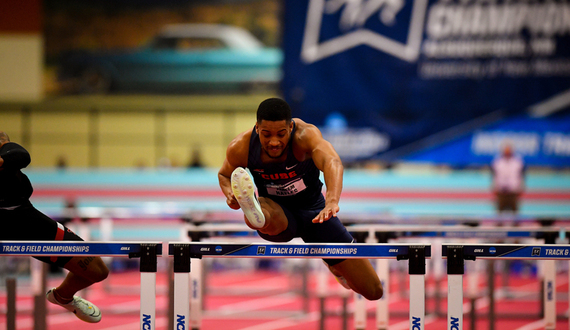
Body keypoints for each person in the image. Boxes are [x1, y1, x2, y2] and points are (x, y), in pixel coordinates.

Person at [218, 98, 383, 300]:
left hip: (316, 215)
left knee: (373, 291)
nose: (274, 142)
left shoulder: (306, 135)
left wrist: (332, 200)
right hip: (278, 215)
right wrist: (230, 194)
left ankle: (335, 266)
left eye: (281, 134)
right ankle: (253, 211)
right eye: (266, 134)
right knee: (263, 213)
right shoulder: (241, 147)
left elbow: (332, 162)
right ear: (257, 128)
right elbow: (225, 174)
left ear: (291, 127)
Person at [0, 131, 108, 323]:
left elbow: (21, 155)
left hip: (27, 219)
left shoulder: (8, 155)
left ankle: (62, 296)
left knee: (97, 270)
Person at [491, 142, 525, 214]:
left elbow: (521, 175)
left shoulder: (518, 162)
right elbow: (494, 175)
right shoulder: (497, 162)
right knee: (499, 214)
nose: (507, 152)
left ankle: (516, 224)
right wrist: (494, 187)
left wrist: (521, 187)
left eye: (509, 150)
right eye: (506, 150)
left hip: (513, 191)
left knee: (515, 214)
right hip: (501, 192)